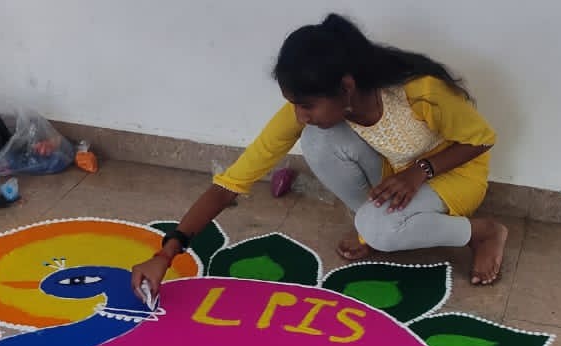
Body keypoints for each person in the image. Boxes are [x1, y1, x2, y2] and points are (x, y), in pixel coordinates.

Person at [132, 13, 508, 298]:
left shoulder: (420, 91)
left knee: (380, 227)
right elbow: (232, 182)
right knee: (316, 140)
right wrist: (165, 255)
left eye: (307, 105)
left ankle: (482, 232)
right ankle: (372, 225)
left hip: (453, 176)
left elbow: (481, 140)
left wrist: (419, 172)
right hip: (397, 174)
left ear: (346, 86)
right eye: (295, 104)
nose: (300, 115)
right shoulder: (315, 106)